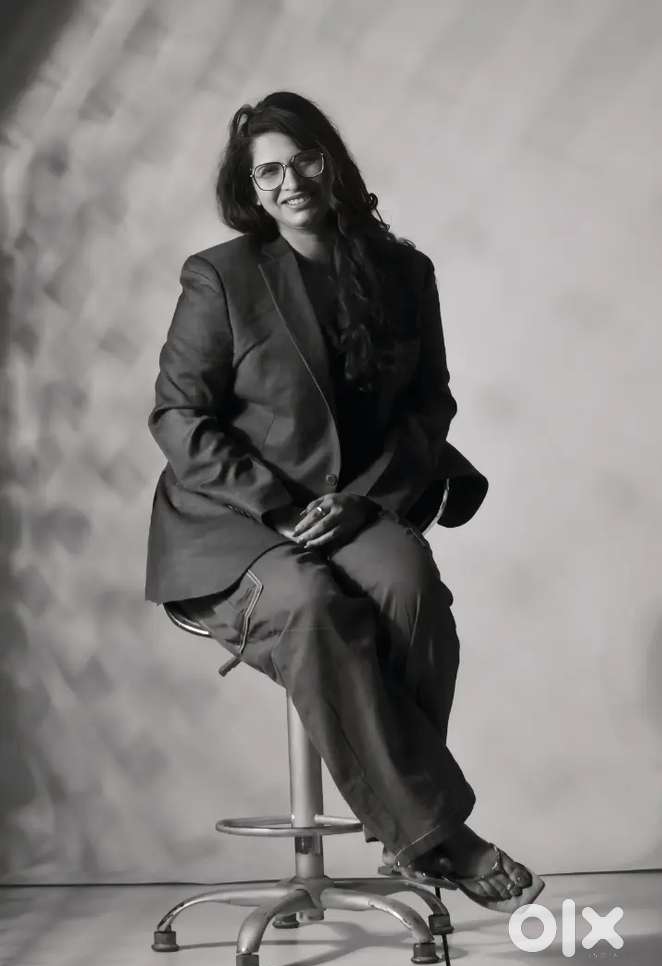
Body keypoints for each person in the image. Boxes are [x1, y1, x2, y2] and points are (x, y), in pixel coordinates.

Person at [145, 91, 544, 912]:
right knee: (314, 605)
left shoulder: (404, 272)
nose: (290, 181)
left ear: (333, 163)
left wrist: (367, 501)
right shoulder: (221, 276)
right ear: (250, 189)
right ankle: (438, 837)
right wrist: (278, 507)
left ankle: (408, 827)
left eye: (305, 160)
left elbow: (429, 405)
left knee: (411, 587)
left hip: (353, 505)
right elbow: (178, 416)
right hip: (234, 519)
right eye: (268, 171)